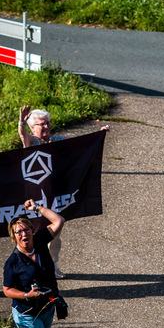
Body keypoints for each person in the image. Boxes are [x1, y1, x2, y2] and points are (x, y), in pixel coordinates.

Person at [17, 105, 108, 279]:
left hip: (55, 194)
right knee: (34, 233)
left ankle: (52, 266)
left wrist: (99, 134)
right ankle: (33, 268)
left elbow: (81, 145)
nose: (46, 127)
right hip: (35, 196)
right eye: (41, 124)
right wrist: (21, 122)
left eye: (47, 123)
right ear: (32, 128)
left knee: (55, 234)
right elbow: (23, 137)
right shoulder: (31, 142)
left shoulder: (57, 140)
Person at [2, 199, 65, 328]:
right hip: (26, 312)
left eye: (27, 229)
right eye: (18, 232)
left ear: (32, 229)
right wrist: (26, 295)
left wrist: (36, 208)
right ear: (13, 237)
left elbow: (59, 220)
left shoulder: (40, 241)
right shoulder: (13, 262)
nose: (24, 234)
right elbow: (7, 290)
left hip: (47, 307)